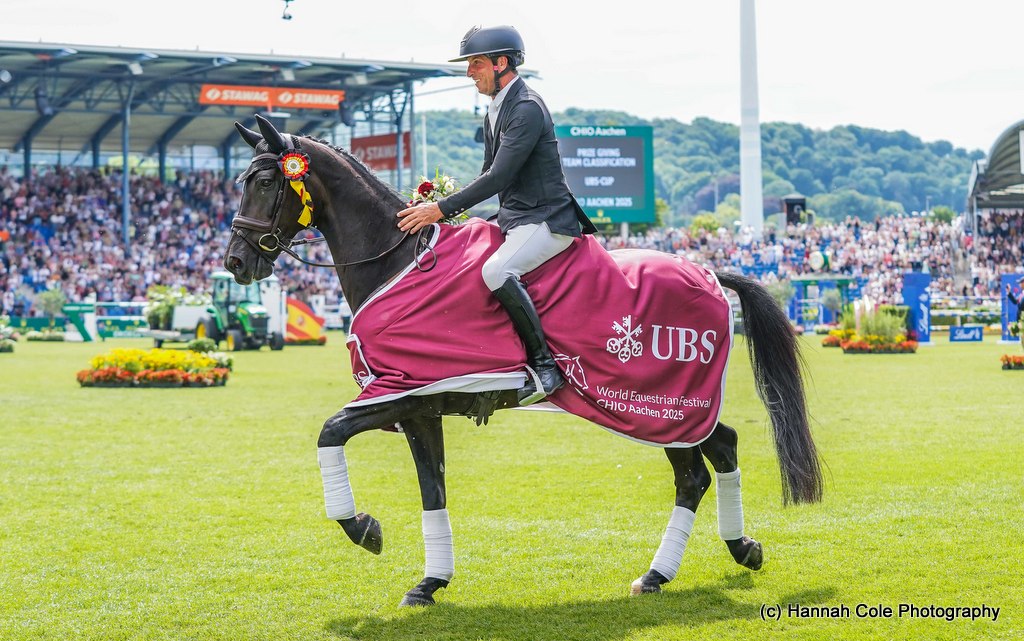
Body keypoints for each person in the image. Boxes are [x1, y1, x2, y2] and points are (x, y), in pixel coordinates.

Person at [397, 25, 597, 406]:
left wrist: (438, 209)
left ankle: (545, 368)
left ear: (501, 63)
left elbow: (500, 177)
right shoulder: (497, 107)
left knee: (495, 271)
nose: (469, 71)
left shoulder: (525, 107)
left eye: (476, 63)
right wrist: (446, 214)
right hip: (518, 218)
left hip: (547, 220)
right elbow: (488, 173)